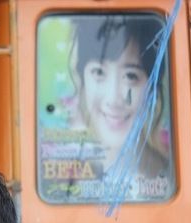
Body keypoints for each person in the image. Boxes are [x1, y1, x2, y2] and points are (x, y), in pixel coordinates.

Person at [69, 15, 168, 179]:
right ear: (83, 80)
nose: (113, 99)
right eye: (99, 72)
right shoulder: (58, 175)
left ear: (151, 89)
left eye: (130, 76)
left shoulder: (167, 175)